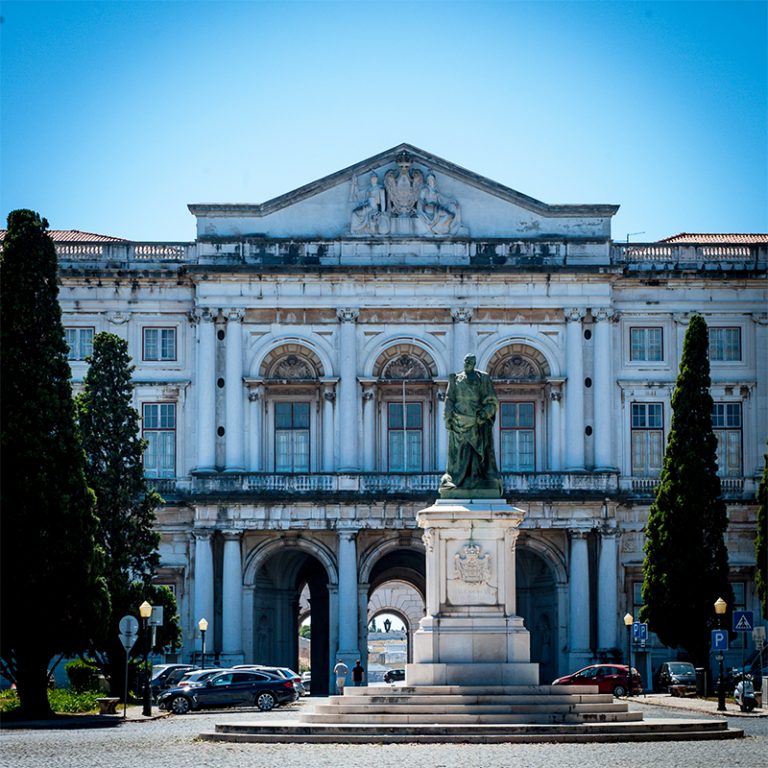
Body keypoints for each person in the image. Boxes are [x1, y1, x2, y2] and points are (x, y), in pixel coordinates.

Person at [439, 353, 502, 497]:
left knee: (477, 456)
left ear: (474, 363)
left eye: (470, 362)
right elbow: (449, 400)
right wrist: (447, 419)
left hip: (477, 423)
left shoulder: (483, 379)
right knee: (459, 455)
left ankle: (476, 478)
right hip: (459, 423)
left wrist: (485, 414)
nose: (467, 363)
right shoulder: (455, 379)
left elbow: (492, 401)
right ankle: (456, 480)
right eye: (465, 361)